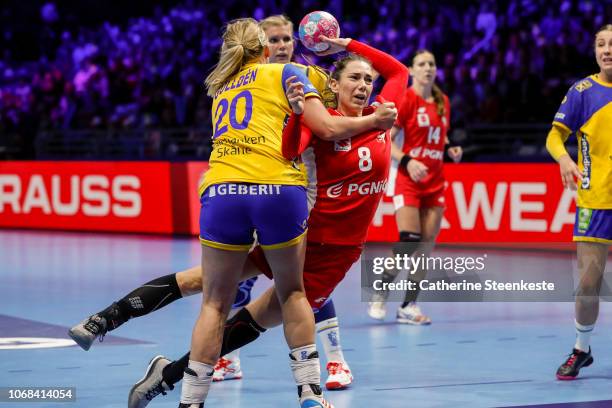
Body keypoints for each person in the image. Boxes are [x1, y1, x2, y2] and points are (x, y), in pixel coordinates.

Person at [68, 14, 355, 390]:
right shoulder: (286, 78)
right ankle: (190, 367)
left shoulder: (234, 83)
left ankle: (110, 321)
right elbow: (335, 122)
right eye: (275, 39)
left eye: (289, 38)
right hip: (279, 192)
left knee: (224, 288)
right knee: (289, 287)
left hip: (240, 191)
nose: (284, 45)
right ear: (261, 48)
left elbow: (347, 93)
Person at [127, 35, 408, 408]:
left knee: (244, 326)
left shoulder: (384, 115)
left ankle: (164, 376)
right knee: (207, 287)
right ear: (333, 85)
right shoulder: (325, 124)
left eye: (368, 80)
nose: (362, 85)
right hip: (302, 240)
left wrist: (345, 44)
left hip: (341, 252)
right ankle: (308, 394)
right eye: (353, 78)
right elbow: (290, 147)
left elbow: (398, 71)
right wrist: (295, 111)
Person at [367, 49, 463, 324]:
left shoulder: (443, 100)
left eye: (432, 63)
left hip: (435, 182)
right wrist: (407, 160)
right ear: (412, 69)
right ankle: (381, 289)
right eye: (422, 64)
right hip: (409, 180)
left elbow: (438, 138)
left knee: (425, 248)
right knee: (409, 242)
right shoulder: (406, 99)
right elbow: (387, 138)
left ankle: (408, 306)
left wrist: (450, 150)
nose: (428, 68)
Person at [547, 24, 612, 381]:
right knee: (589, 282)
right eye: (601, 44)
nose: (607, 49)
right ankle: (581, 349)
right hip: (595, 199)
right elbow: (555, 137)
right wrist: (564, 159)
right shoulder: (583, 91)